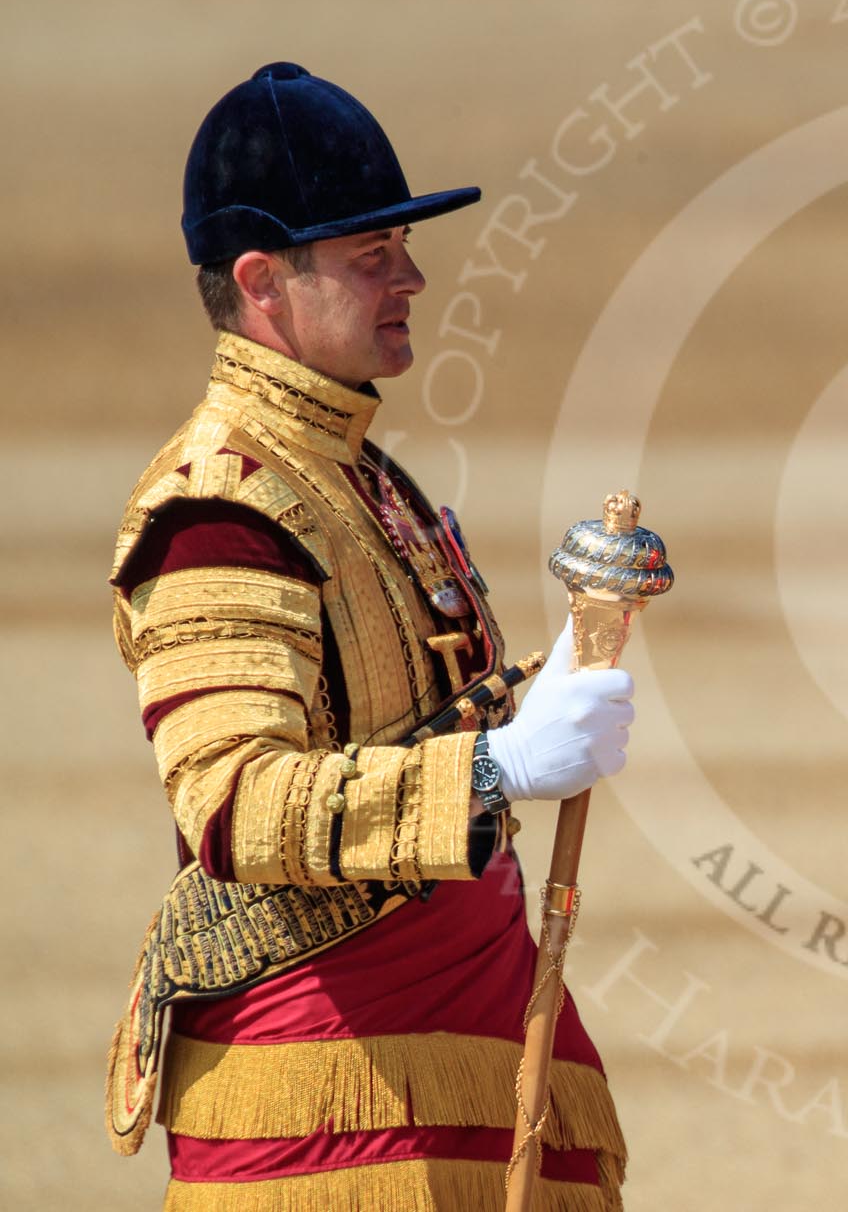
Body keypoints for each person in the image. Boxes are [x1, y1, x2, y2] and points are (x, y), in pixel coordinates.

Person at [105, 62, 632, 1209]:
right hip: (330, 1076)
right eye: (370, 257)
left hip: (444, 1023)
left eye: (402, 248)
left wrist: (558, 680)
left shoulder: (349, 469)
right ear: (264, 283)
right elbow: (236, 807)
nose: (414, 279)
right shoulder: (220, 507)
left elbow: (406, 717)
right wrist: (501, 763)